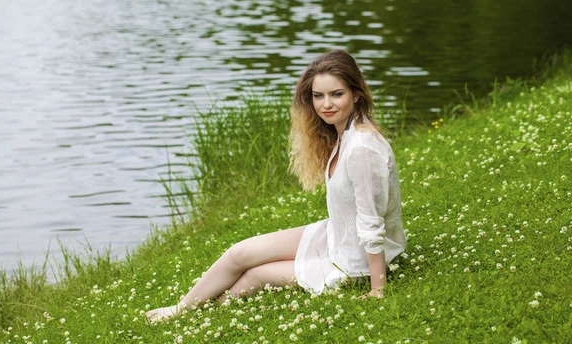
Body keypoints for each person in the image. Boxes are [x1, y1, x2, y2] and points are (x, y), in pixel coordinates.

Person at [146, 49, 406, 323]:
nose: (326, 104)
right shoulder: (345, 133)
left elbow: (370, 222)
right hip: (336, 236)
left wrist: (377, 289)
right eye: (319, 96)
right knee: (240, 252)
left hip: (355, 260)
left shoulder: (363, 148)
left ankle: (198, 315)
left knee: (255, 275)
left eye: (336, 94)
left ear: (356, 94)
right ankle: (181, 308)